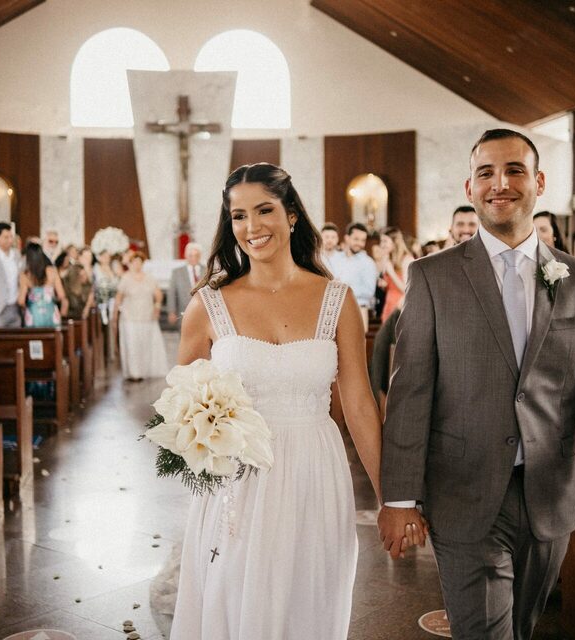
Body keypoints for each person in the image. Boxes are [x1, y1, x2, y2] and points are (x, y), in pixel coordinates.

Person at [379, 129, 575, 640]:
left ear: (539, 182)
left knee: (520, 627)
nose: (500, 184)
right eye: (486, 173)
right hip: (463, 491)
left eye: (515, 170)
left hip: (549, 494)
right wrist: (399, 497)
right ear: (469, 187)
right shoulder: (432, 277)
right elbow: (410, 393)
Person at [171, 163, 421, 639]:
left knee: (308, 602)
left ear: (291, 215)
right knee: (235, 600)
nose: (252, 226)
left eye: (264, 210)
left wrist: (391, 499)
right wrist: (204, 443)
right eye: (239, 216)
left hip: (314, 474)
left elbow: (360, 406)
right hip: (238, 483)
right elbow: (179, 401)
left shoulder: (336, 300)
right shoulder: (208, 304)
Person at [114, 250, 167, 381]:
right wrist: (115, 316)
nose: (137, 265)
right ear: (130, 263)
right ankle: (134, 373)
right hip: (130, 316)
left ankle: (145, 370)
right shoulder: (126, 278)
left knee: (145, 344)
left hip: (147, 315)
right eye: (134, 262)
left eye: (139, 262)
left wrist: (157, 306)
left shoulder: (149, 278)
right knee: (133, 344)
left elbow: (158, 294)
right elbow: (118, 298)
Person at [329, 222, 377, 328]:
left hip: (359, 309)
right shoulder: (335, 259)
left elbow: (369, 292)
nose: (360, 243)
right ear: (347, 238)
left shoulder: (368, 263)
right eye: (356, 239)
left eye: (363, 240)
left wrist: (343, 287)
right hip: (335, 310)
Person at [18, 242, 67, 328]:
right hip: (51, 313)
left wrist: (28, 306)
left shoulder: (25, 275)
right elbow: (61, 295)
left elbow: (21, 301)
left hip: (33, 315)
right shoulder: (52, 271)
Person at [378, 226, 414, 323]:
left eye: (385, 241)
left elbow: (407, 290)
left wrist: (391, 272)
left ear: (395, 242)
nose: (381, 245)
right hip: (389, 305)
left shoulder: (407, 260)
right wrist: (384, 285)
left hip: (401, 307)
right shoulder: (388, 259)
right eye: (381, 241)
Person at [166, 242, 204, 327]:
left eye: (196, 255)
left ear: (200, 256)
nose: (194, 258)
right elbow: (172, 293)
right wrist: (171, 311)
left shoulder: (207, 270)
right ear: (186, 256)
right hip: (184, 312)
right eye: (191, 255)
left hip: (204, 313)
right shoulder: (177, 272)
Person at [62, 246, 96, 320]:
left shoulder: (92, 270)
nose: (88, 260)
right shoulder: (74, 270)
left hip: (87, 307)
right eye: (86, 257)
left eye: (90, 257)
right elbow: (75, 290)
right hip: (75, 308)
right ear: (79, 257)